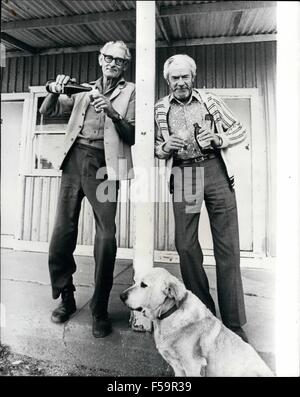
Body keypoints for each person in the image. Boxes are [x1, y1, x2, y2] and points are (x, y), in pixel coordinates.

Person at [39, 41, 135, 338]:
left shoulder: (131, 92)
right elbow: (50, 109)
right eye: (108, 58)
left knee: (106, 237)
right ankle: (66, 296)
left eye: (118, 61)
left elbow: (133, 134)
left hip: (105, 167)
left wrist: (114, 113)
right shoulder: (82, 89)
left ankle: (100, 309)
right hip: (73, 160)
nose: (112, 63)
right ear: (99, 59)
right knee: (61, 234)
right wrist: (53, 87)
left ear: (124, 66)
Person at [154, 54, 248, 342]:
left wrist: (219, 139)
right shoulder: (159, 109)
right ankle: (205, 316)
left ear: (192, 78)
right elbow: (153, 147)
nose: (180, 82)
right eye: (174, 78)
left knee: (228, 247)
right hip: (184, 174)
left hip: (214, 169)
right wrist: (164, 147)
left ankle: (233, 324)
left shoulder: (210, 100)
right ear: (167, 81)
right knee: (186, 245)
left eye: (185, 77)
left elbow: (239, 130)